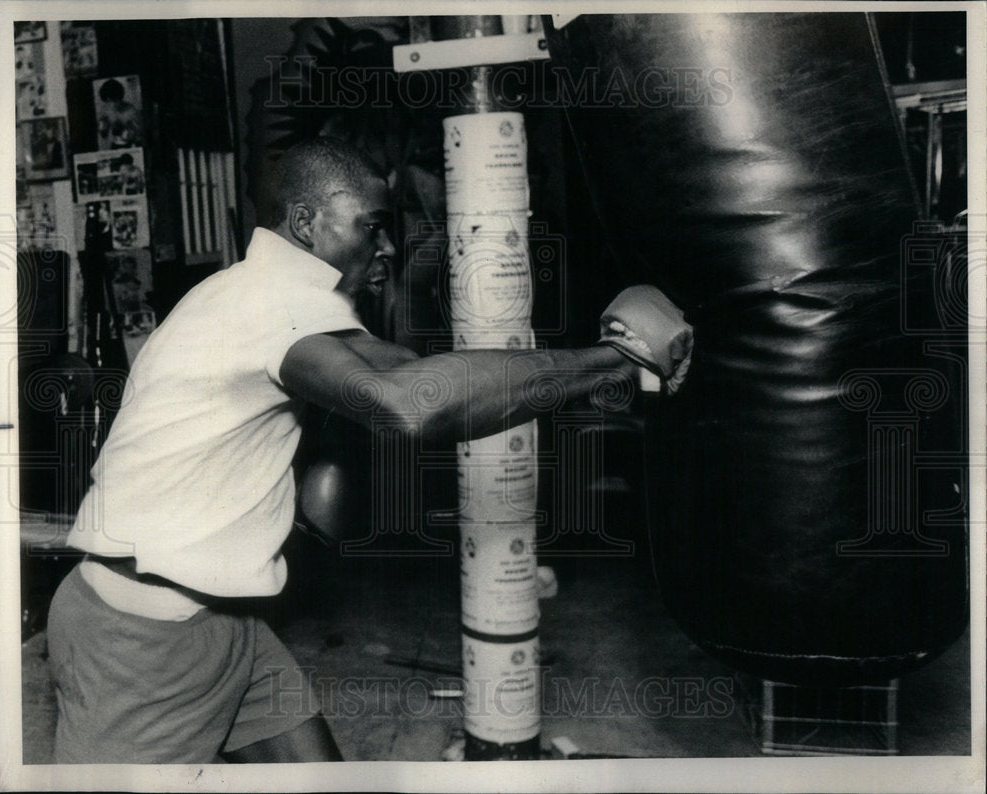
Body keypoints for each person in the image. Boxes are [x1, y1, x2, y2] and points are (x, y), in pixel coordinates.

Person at [47, 137, 693, 764]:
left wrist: (608, 367)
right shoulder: (267, 305)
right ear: (307, 221)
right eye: (371, 227)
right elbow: (409, 406)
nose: (385, 247)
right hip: (142, 637)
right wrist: (613, 359)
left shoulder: (279, 297)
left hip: (226, 623)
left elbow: (416, 371)